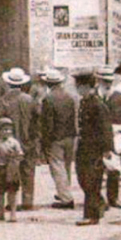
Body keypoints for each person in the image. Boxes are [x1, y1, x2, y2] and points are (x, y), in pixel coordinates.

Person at [0, 67, 40, 211]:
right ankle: (28, 200)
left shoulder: (4, 100)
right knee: (28, 170)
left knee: (10, 170)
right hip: (28, 140)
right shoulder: (29, 99)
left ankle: (12, 201)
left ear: (8, 83)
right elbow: (37, 119)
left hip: (10, 141)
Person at [74, 69, 114, 226]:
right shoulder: (85, 102)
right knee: (83, 179)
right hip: (84, 148)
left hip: (94, 149)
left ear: (85, 86)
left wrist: (106, 149)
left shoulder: (97, 104)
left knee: (91, 181)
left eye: (79, 86)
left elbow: (106, 128)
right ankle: (99, 204)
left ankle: (91, 215)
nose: (77, 89)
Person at [41, 68, 77, 209]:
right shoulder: (69, 97)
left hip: (55, 137)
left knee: (57, 167)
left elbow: (48, 123)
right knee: (66, 166)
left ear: (48, 84)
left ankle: (66, 198)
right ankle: (64, 192)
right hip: (70, 135)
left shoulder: (48, 99)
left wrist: (45, 140)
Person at [98, 65, 121, 209]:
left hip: (115, 135)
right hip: (98, 136)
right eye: (105, 81)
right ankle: (98, 200)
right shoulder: (94, 96)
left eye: (110, 81)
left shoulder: (118, 96)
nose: (108, 84)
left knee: (114, 169)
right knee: (97, 169)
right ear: (99, 80)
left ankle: (113, 198)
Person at [0, 117, 24, 223]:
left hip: (12, 169)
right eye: (4, 130)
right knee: (0, 192)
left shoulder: (14, 143)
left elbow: (20, 155)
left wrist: (16, 159)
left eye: (9, 129)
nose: (7, 132)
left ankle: (13, 214)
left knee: (12, 192)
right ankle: (1, 213)